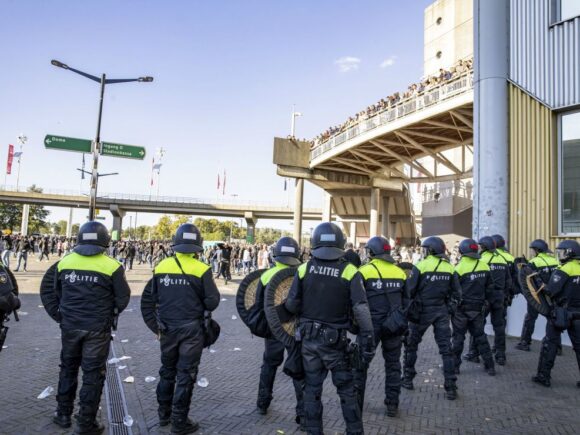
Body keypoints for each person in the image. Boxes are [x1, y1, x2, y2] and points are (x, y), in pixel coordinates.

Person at [40, 221, 131, 434]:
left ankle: (63, 414)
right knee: (93, 374)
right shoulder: (112, 266)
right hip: (98, 328)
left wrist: (62, 316)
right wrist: (108, 314)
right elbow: (123, 298)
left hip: (70, 327)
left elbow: (53, 292)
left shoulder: (65, 262)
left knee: (68, 369)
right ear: (105, 241)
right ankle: (86, 422)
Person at [284, 222, 374, 435]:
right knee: (347, 392)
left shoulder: (304, 268)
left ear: (314, 243)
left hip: (309, 343)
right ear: (340, 244)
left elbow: (292, 305)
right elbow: (361, 309)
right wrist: (368, 339)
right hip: (336, 346)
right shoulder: (350, 271)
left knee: (312, 392)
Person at [141, 223, 220, 434]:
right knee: (186, 374)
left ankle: (163, 415)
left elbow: (154, 297)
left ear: (175, 244)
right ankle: (179, 421)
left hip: (167, 329)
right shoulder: (202, 269)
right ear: (197, 246)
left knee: (167, 371)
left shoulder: (161, 267)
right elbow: (212, 302)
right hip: (191, 331)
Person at [249, 236, 305, 430]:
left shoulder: (266, 276)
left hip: (274, 329)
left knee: (269, 364)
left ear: (276, 255)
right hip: (295, 330)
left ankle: (262, 404)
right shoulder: (302, 273)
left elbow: (258, 305)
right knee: (299, 369)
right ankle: (302, 412)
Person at [353, 236, 408, 417]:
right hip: (393, 326)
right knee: (393, 365)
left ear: (371, 252)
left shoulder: (364, 271)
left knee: (360, 366)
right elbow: (406, 301)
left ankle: (356, 406)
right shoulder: (400, 272)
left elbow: (356, 302)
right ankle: (392, 404)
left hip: (370, 327)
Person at [402, 236, 460, 400]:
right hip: (441, 311)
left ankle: (407, 379)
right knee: (446, 350)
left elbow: (409, 291)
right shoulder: (450, 268)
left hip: (421, 312)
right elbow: (457, 294)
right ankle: (451, 387)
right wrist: (448, 309)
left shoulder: (420, 266)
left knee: (411, 345)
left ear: (431, 250)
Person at [532, 240, 580, 388]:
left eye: (562, 252)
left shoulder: (564, 269)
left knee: (550, 344)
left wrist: (538, 282)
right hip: (578, 314)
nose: (560, 255)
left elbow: (551, 291)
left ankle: (543, 376)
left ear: (569, 253)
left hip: (561, 313)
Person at [463, 236, 512, 366]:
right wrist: (505, 295)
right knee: (499, 326)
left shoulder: (481, 260)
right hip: (499, 297)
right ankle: (500, 354)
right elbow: (508, 281)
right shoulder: (502, 259)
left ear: (483, 247)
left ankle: (474, 353)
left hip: (485, 298)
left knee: (477, 326)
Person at [451, 239, 496, 376]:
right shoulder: (485, 266)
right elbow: (490, 288)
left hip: (461, 310)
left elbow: (453, 290)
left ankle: (455, 367)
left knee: (458, 338)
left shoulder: (458, 268)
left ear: (462, 251)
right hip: (478, 309)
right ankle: (490, 366)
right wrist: (486, 302)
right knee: (481, 337)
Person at [516, 239, 560, 351]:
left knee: (530, 318)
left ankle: (525, 343)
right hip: (552, 295)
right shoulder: (554, 260)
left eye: (532, 250)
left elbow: (529, 280)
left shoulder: (534, 262)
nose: (531, 252)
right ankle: (557, 346)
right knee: (552, 319)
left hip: (537, 296)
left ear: (537, 250)